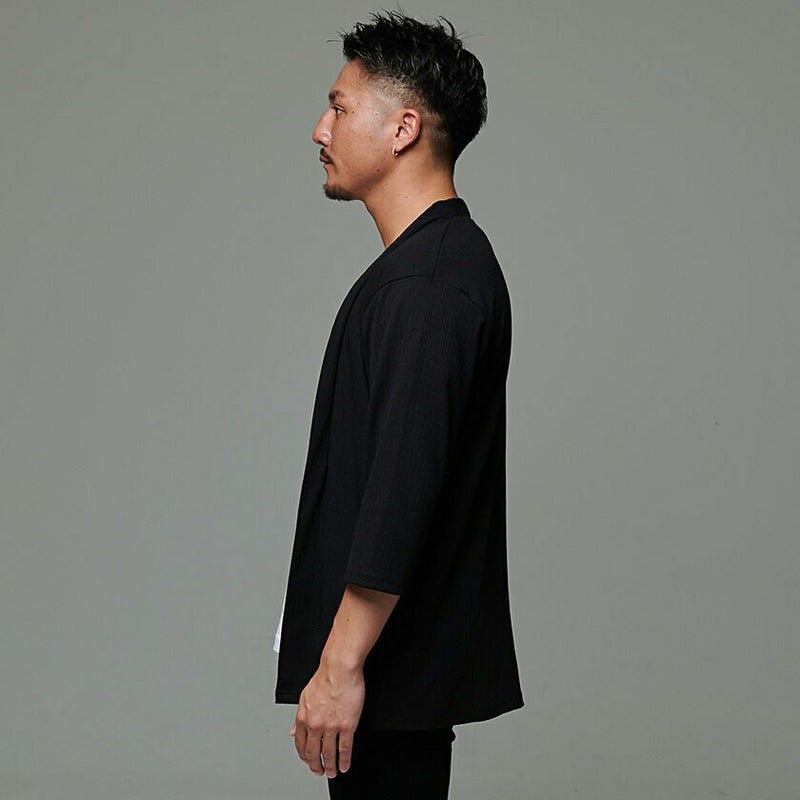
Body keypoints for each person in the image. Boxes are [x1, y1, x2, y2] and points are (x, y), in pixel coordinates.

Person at [274, 11, 523, 798]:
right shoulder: (429, 268)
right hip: (395, 677)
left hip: (388, 676)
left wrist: (340, 666)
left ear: (403, 128)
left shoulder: (429, 284)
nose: (320, 129)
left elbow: (401, 491)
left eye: (339, 107)